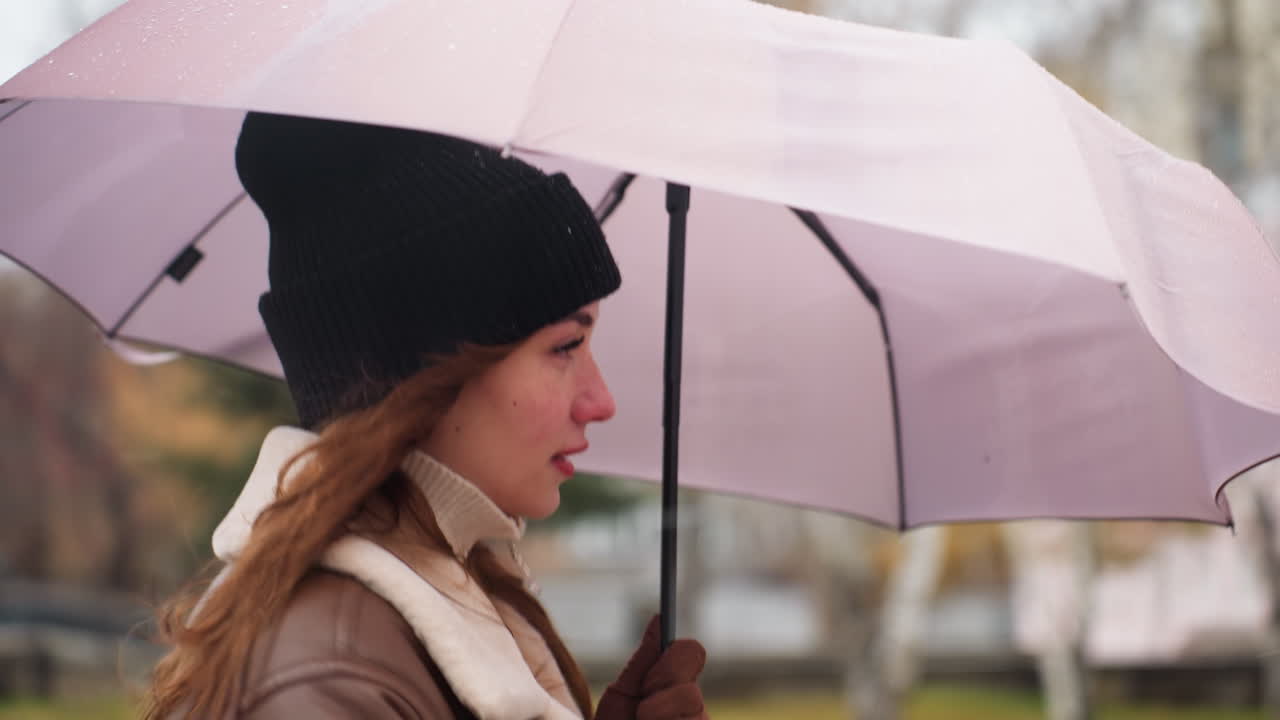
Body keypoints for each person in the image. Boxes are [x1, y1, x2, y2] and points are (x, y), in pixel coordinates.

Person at [142, 112, 708, 720]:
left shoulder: (449, 607)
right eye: (565, 347)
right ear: (428, 371)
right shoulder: (333, 678)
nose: (602, 401)